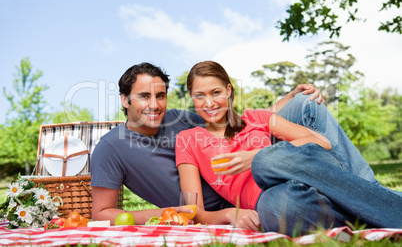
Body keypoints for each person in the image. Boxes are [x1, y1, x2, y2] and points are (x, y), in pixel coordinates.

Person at [175, 60, 402, 236]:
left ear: (228, 90)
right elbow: (193, 211)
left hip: (315, 177)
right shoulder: (188, 140)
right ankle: (369, 214)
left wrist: (254, 157)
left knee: (264, 161)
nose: (209, 103)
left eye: (215, 93)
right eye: (200, 96)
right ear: (192, 98)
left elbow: (322, 143)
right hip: (281, 198)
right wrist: (229, 213)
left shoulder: (256, 118)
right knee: (275, 206)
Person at [90, 62, 324, 225]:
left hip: (248, 182)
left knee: (307, 101)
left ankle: (354, 180)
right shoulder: (110, 148)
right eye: (144, 96)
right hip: (214, 210)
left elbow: (240, 124)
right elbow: (100, 214)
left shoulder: (178, 119)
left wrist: (289, 98)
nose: (154, 105)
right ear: (125, 99)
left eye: (160, 96)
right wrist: (169, 213)